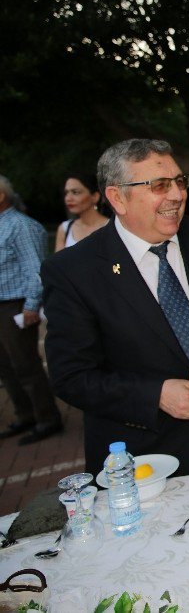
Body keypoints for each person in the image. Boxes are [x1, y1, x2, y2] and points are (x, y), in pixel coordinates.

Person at [41, 139, 189, 476]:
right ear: (117, 197)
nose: (177, 195)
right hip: (143, 459)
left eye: (180, 182)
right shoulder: (75, 271)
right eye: (159, 185)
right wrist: (156, 395)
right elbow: (72, 376)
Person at [0, 175, 63, 444]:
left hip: (14, 304)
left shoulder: (20, 226)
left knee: (25, 364)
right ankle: (25, 414)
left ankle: (47, 418)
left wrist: (30, 306)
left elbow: (35, 270)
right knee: (5, 367)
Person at [54, 173, 109, 252]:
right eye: (66, 193)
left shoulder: (113, 227)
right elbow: (57, 263)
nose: (68, 198)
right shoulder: (65, 228)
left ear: (95, 197)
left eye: (75, 192)